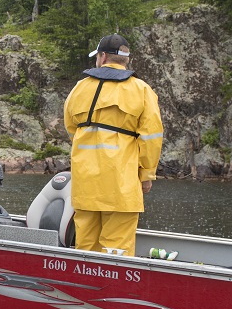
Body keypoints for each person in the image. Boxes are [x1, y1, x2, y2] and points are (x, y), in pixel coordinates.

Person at [63, 34, 163, 256]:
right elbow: (151, 137)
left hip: (85, 183)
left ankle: (83, 287)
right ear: (125, 60)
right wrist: (146, 175)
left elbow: (71, 128)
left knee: (85, 246)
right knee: (116, 250)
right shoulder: (141, 89)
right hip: (121, 185)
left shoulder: (79, 88)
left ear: (102, 56)